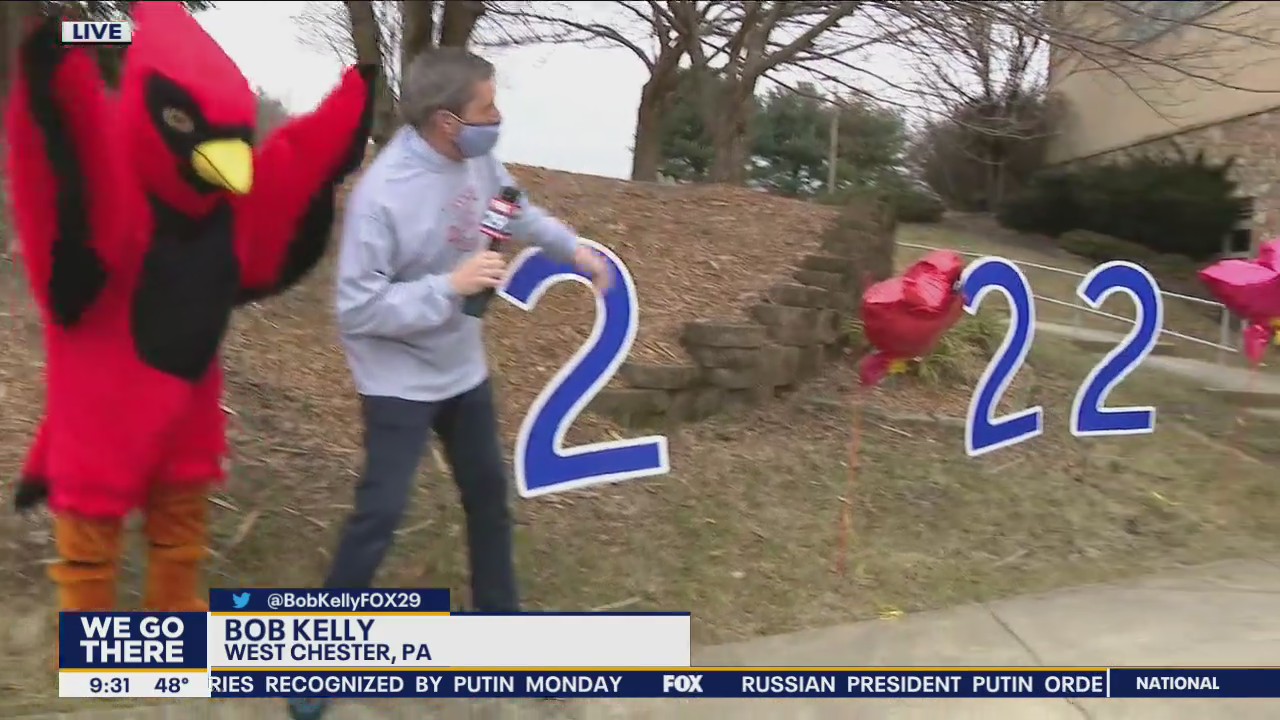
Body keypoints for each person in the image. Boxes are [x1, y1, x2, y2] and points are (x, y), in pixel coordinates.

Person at [324, 48, 611, 607]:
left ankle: (499, 627)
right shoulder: (381, 198)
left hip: (462, 370)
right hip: (397, 381)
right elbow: (357, 310)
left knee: (488, 499)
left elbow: (513, 209)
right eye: (488, 108)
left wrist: (572, 248)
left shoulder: (475, 161)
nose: (498, 118)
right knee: (379, 515)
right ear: (446, 121)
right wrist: (450, 287)